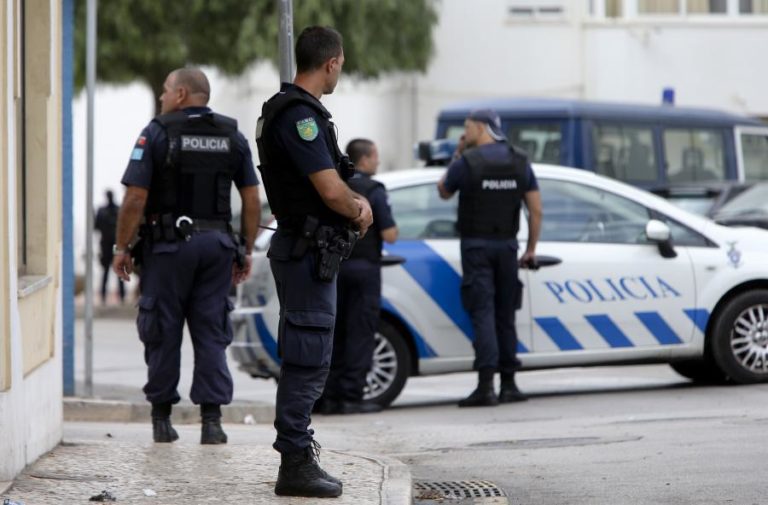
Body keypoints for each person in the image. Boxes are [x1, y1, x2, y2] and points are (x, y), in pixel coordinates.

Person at [112, 68, 260, 444]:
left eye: (165, 91)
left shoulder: (157, 133)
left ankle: (162, 420)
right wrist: (245, 249)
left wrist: (122, 247)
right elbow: (251, 198)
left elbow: (135, 198)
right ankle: (212, 422)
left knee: (163, 330)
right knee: (211, 331)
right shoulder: (232, 136)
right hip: (216, 248)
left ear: (180, 94)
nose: (162, 97)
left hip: (168, 248)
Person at [255, 26, 373, 498]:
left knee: (309, 354)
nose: (340, 71)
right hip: (306, 251)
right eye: (341, 64)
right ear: (331, 62)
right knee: (307, 358)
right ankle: (295, 463)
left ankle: (298, 455)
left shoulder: (292, 111)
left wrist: (352, 200)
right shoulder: (300, 116)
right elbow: (328, 188)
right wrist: (359, 210)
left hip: (306, 250)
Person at [437, 109, 542, 408]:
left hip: (476, 247)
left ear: (481, 128)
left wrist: (457, 154)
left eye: (467, 127)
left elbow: (443, 191)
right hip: (507, 247)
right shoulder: (519, 160)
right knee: (505, 315)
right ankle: (509, 384)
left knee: (483, 313)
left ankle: (486, 387)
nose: (465, 133)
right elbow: (536, 210)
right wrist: (530, 249)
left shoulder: (468, 161)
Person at [318, 139, 398, 415]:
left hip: (334, 267)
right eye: (375, 156)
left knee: (334, 332)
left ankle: (327, 396)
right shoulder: (374, 190)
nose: (378, 161)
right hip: (364, 270)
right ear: (364, 159)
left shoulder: (334, 185)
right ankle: (350, 396)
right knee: (360, 333)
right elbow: (390, 234)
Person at [94, 189, 125, 305]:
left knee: (119, 271)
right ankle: (103, 296)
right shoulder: (102, 211)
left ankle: (122, 296)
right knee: (106, 271)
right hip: (106, 246)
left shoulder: (118, 210)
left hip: (116, 245)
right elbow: (96, 227)